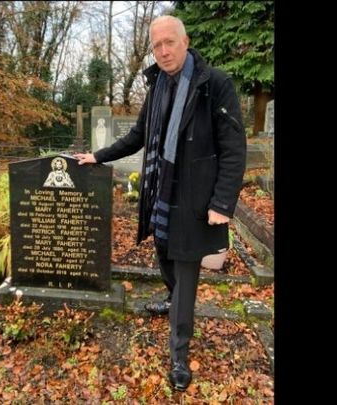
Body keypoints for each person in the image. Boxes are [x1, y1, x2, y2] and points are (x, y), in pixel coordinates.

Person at [74, 15, 246, 391]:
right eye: (157, 45)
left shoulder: (213, 84)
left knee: (186, 273)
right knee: (164, 254)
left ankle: (179, 354)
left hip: (197, 198)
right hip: (161, 191)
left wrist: (222, 202)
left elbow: (234, 149)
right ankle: (171, 301)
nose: (164, 51)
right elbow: (138, 135)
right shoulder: (157, 86)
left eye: (170, 42)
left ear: (185, 42)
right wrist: (98, 157)